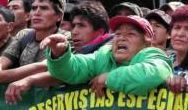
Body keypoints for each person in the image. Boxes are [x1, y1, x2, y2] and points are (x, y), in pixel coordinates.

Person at [4, 0, 112, 104]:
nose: (74, 32)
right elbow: (72, 70)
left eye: (81, 26)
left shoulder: (111, 49)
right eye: (73, 26)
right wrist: (58, 54)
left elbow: (62, 75)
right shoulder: (82, 52)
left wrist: (111, 77)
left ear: (100, 31)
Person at [43, 15, 173, 97]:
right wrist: (59, 53)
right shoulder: (104, 55)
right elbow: (73, 69)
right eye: (117, 34)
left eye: (130, 34)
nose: (121, 38)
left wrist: (108, 78)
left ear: (146, 42)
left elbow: (152, 73)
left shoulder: (153, 54)